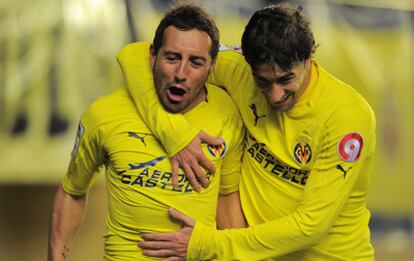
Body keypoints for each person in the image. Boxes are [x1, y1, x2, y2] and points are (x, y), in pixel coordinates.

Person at [117, 3, 376, 261]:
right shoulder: (236, 69)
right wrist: (173, 133)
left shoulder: (346, 116)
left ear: (309, 58)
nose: (275, 95)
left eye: (286, 79)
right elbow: (133, 56)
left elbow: (310, 226)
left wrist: (209, 243)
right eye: (262, 81)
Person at [47, 4, 246, 261]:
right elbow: (72, 190)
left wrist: (215, 246)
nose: (181, 73)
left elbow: (227, 200)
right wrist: (56, 254)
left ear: (212, 66)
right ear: (152, 56)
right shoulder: (104, 114)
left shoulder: (227, 114)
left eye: (196, 62)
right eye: (172, 58)